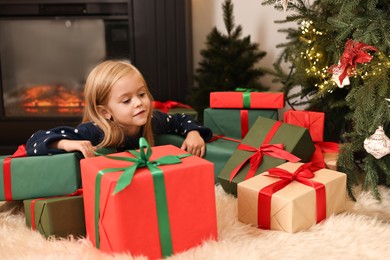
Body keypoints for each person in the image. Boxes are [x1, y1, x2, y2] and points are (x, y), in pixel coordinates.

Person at [26, 60, 212, 158]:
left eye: (141, 94)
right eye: (126, 101)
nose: (138, 103)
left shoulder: (152, 121)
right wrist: (66, 143)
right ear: (105, 112)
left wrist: (193, 133)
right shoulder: (95, 131)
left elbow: (180, 119)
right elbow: (35, 140)